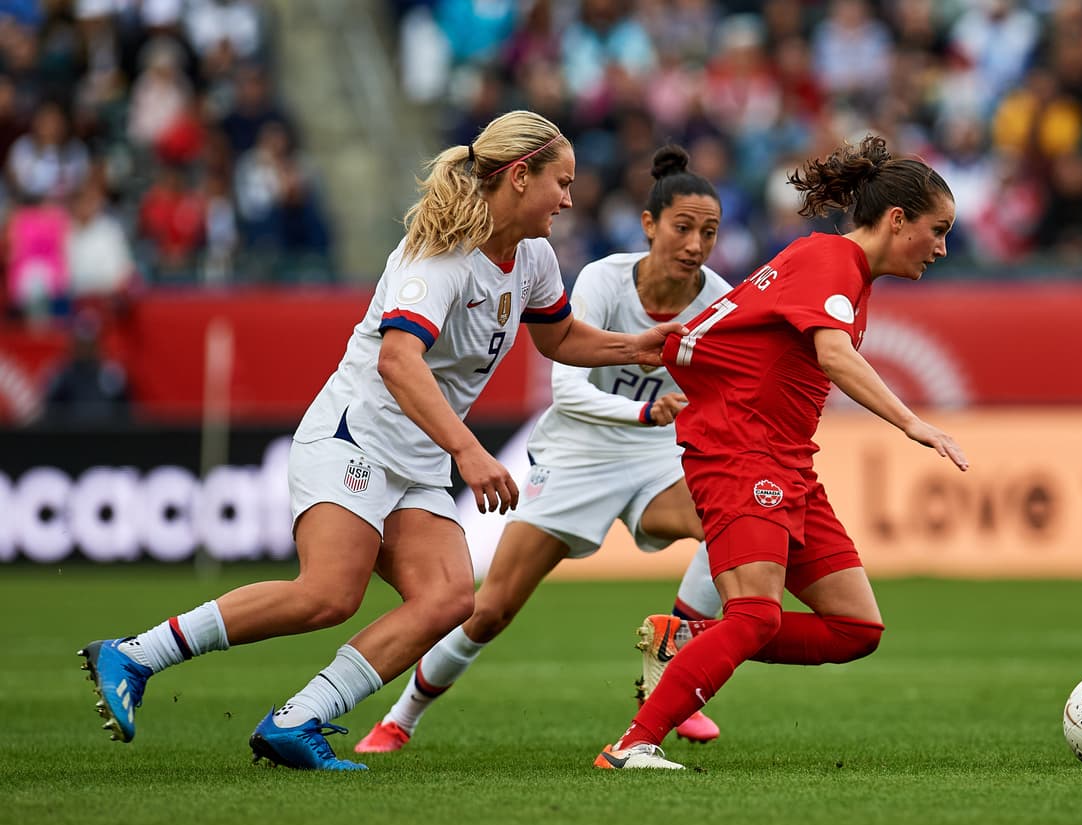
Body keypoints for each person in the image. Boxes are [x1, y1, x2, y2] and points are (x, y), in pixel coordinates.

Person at [77, 110, 684, 772]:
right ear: (518, 177)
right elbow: (399, 362)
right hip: (354, 437)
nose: (569, 199)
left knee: (451, 598)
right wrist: (469, 451)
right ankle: (135, 654)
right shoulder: (439, 257)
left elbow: (559, 337)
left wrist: (638, 348)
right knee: (329, 594)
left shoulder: (532, 256)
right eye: (560, 183)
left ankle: (298, 718)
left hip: (417, 456)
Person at [594, 134, 970, 770]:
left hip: (788, 459)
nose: (942, 247)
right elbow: (832, 354)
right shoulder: (830, 260)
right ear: (897, 219)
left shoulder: (844, 271)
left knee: (856, 628)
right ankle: (633, 745)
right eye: (937, 231)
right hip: (742, 451)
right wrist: (913, 423)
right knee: (755, 616)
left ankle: (684, 640)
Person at [352, 144, 732, 755]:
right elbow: (566, 387)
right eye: (682, 227)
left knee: (728, 523)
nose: (695, 244)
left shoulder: (718, 298)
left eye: (709, 233)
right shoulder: (606, 279)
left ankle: (671, 678)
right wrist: (643, 409)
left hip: (655, 458)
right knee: (491, 608)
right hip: (577, 454)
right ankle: (400, 719)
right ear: (649, 225)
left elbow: (722, 389)